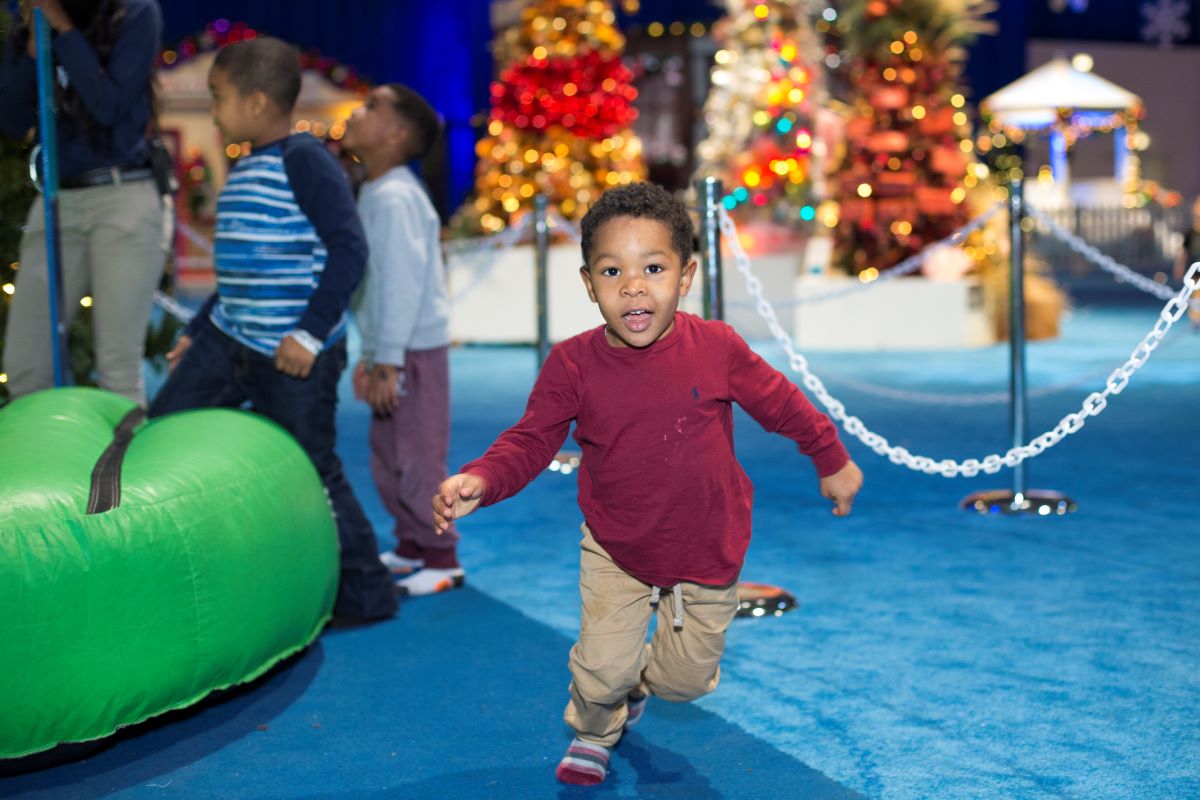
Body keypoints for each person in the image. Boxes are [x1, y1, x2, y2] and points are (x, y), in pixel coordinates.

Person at [433, 182, 864, 785]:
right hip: (618, 544)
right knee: (602, 671)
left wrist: (831, 457)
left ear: (685, 277)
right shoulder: (573, 363)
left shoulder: (716, 346)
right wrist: (484, 477)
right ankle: (595, 725)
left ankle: (636, 690)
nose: (633, 285)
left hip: (708, 544)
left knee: (681, 685)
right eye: (612, 271)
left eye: (653, 267)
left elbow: (781, 404)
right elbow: (531, 437)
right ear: (589, 284)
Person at [147, 37, 396, 622]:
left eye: (218, 97)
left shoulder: (305, 160)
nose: (212, 108)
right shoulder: (248, 164)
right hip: (230, 337)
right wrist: (201, 328)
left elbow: (349, 250)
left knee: (312, 465)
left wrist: (309, 334)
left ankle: (366, 593)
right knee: (164, 430)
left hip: (294, 354)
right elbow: (238, 269)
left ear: (257, 103)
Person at [0, 0, 167, 404]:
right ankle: (40, 464)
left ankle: (120, 469)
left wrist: (62, 27)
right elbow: (10, 119)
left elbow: (108, 106)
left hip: (122, 196)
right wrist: (31, 52)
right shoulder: (31, 17)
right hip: (58, 199)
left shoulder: (134, 12)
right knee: (25, 368)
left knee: (117, 367)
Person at [340, 83, 462, 596]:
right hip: (391, 348)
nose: (356, 112)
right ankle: (412, 543)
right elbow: (376, 288)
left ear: (397, 134)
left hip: (412, 351)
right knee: (388, 455)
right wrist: (372, 355)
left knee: (416, 457)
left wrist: (387, 358)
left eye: (371, 107)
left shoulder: (394, 197)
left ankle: (442, 554)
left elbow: (402, 284)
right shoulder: (377, 190)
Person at [1174, 195, 1200, 329]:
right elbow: (1183, 253)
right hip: (1195, 271)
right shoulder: (1190, 233)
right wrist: (1179, 268)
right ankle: (1196, 319)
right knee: (1196, 295)